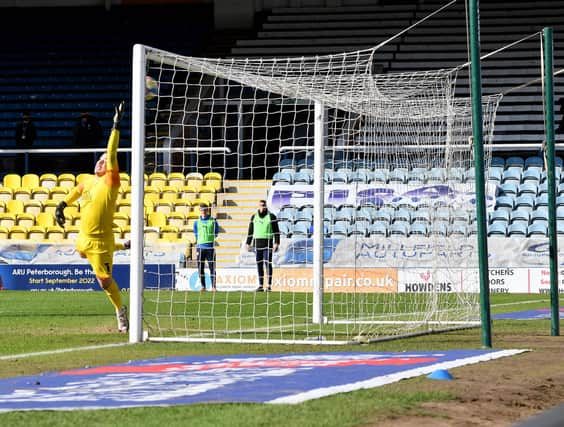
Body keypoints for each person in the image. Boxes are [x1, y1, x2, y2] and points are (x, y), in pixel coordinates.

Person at [55, 101, 130, 333]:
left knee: (104, 282)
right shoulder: (86, 180)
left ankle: (120, 312)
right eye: (99, 159)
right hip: (84, 239)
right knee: (80, 250)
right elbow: (74, 192)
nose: (102, 160)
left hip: (100, 243)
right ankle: (121, 244)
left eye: (105, 161)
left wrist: (115, 127)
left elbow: (111, 152)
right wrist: (61, 205)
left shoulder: (111, 182)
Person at [245, 200, 280, 292]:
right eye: (261, 205)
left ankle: (268, 286)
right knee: (259, 265)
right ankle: (260, 285)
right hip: (257, 244)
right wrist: (248, 243)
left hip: (268, 244)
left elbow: (276, 231)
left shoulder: (271, 216)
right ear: (258, 206)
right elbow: (250, 231)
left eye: (264, 205)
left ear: (266, 206)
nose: (262, 207)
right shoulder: (254, 217)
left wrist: (277, 243)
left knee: (268, 264)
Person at [193, 203, 219, 291]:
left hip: (210, 248)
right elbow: (196, 234)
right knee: (200, 268)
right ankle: (203, 286)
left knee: (212, 267)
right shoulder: (196, 222)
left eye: (204, 210)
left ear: (207, 210)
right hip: (200, 248)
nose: (203, 211)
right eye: (201, 210)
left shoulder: (213, 221)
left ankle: (214, 287)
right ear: (200, 211)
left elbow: (216, 233)